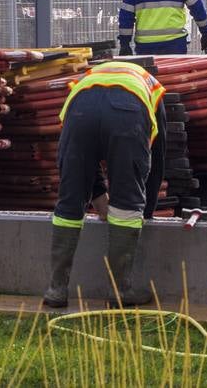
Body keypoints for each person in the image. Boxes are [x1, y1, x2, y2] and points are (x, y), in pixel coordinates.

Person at [43, 60, 166, 308]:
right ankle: (121, 291)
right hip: (128, 113)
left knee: (70, 199)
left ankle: (56, 289)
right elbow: (156, 159)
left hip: (79, 111)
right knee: (127, 203)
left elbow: (84, 159)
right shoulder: (153, 89)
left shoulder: (86, 80)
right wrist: (146, 211)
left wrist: (97, 195)